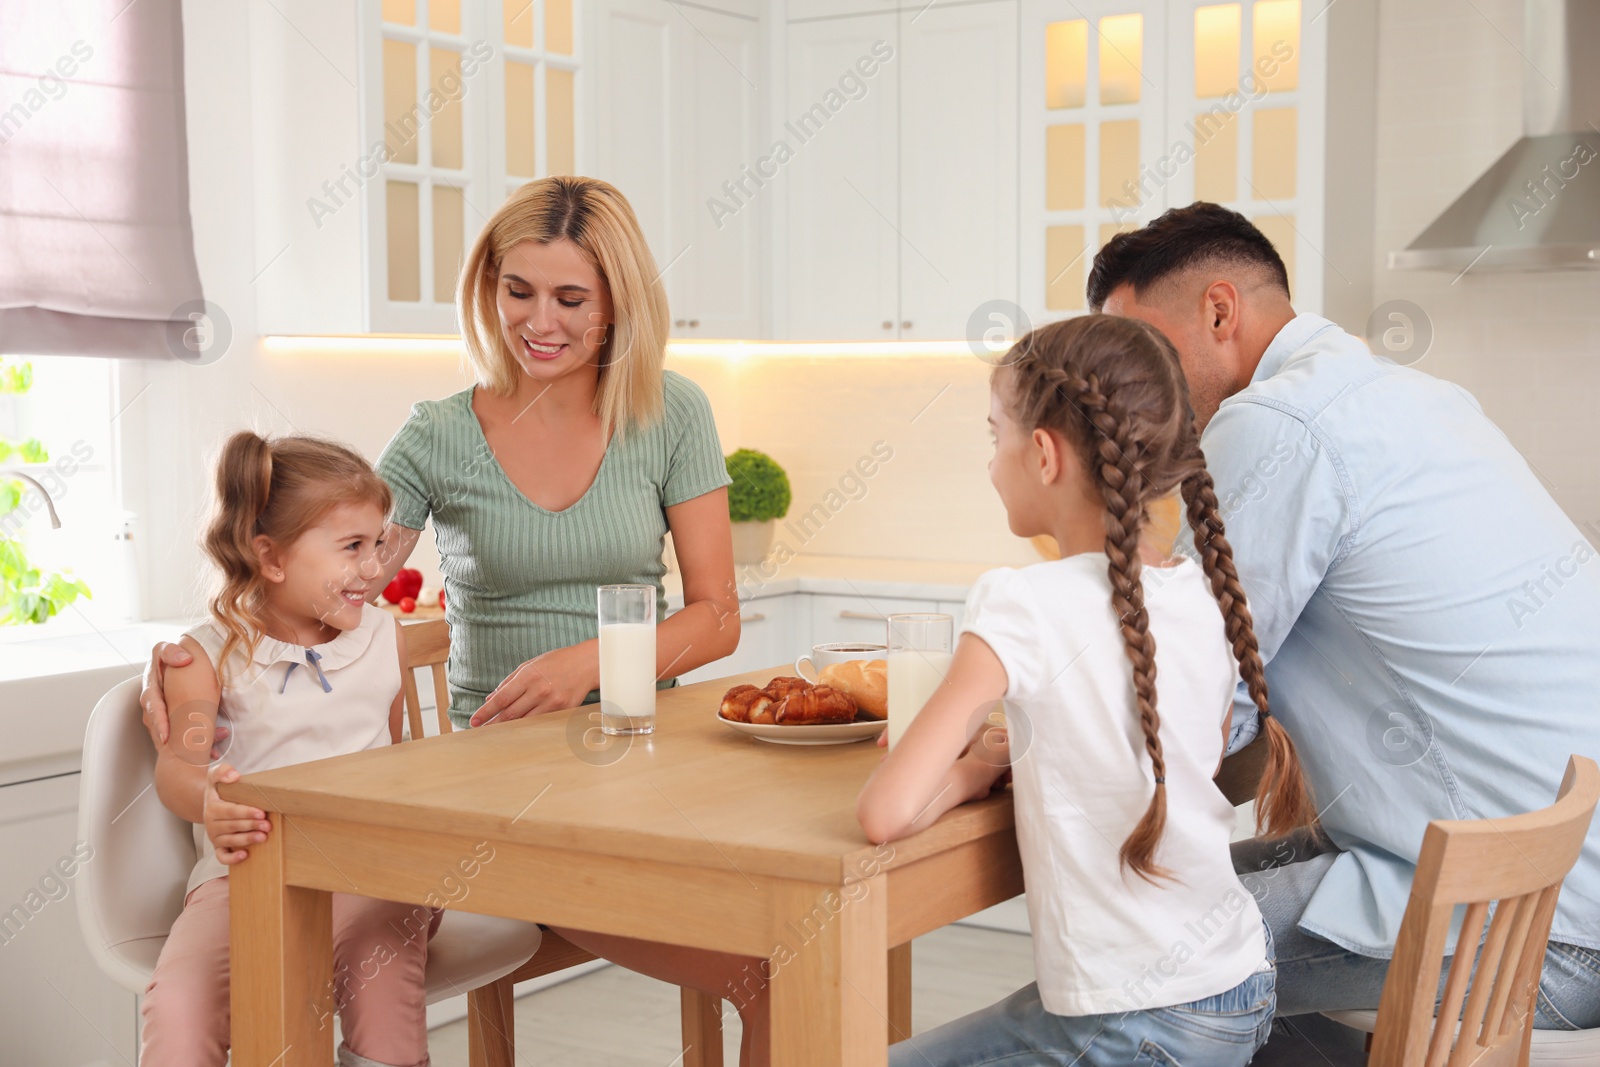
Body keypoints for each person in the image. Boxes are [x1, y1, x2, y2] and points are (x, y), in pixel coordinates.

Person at [138, 176, 779, 1063]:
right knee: (771, 970)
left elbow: (718, 615)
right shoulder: (440, 433)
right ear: (488, 288)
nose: (539, 322)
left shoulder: (671, 412)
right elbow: (320, 576)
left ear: (617, 301)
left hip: (643, 753)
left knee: (782, 963)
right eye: (517, 291)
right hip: (497, 772)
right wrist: (198, 651)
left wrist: (587, 663)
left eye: (570, 297)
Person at [1089, 202, 1600, 1042]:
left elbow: (1181, 706)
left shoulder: (1278, 422)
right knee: (1169, 913)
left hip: (1525, 927)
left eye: (1143, 351)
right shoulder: (1414, 397)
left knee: (1119, 945)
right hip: (1552, 887)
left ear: (1220, 311)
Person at [858, 314, 1316, 1065]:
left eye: (993, 433)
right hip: (1237, 988)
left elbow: (883, 811)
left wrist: (970, 769)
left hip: (1139, 1024)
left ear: (1042, 454)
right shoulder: (1203, 594)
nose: (989, 461)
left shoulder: (1018, 602)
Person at [143, 431, 434, 1067]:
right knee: (177, 1005)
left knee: (377, 971)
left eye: (378, 544)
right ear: (270, 558)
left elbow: (398, 754)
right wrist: (211, 801)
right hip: (246, 874)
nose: (373, 566)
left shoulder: (385, 638)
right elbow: (179, 769)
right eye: (352, 547)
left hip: (374, 867)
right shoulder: (201, 655)